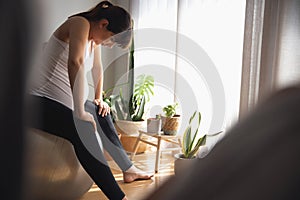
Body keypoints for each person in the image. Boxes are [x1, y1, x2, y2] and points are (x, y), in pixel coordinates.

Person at [27, 1, 153, 199]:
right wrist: (79, 111)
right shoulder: (80, 23)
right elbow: (75, 61)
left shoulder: (94, 39)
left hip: (64, 102)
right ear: (103, 24)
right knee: (82, 129)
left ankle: (128, 169)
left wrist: (98, 99)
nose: (108, 44)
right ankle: (119, 197)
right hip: (37, 101)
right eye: (110, 39)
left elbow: (97, 69)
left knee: (103, 112)